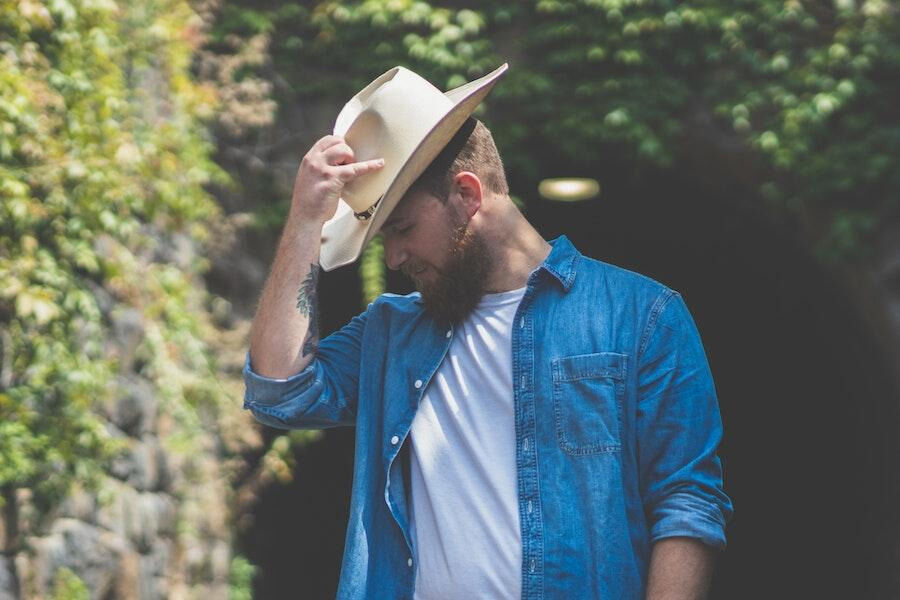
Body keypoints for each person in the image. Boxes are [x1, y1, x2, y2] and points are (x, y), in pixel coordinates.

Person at [243, 64, 732, 600]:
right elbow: (279, 392)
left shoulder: (642, 316)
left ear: (467, 194)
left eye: (402, 229)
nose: (395, 257)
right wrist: (304, 219)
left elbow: (686, 503)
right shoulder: (391, 334)